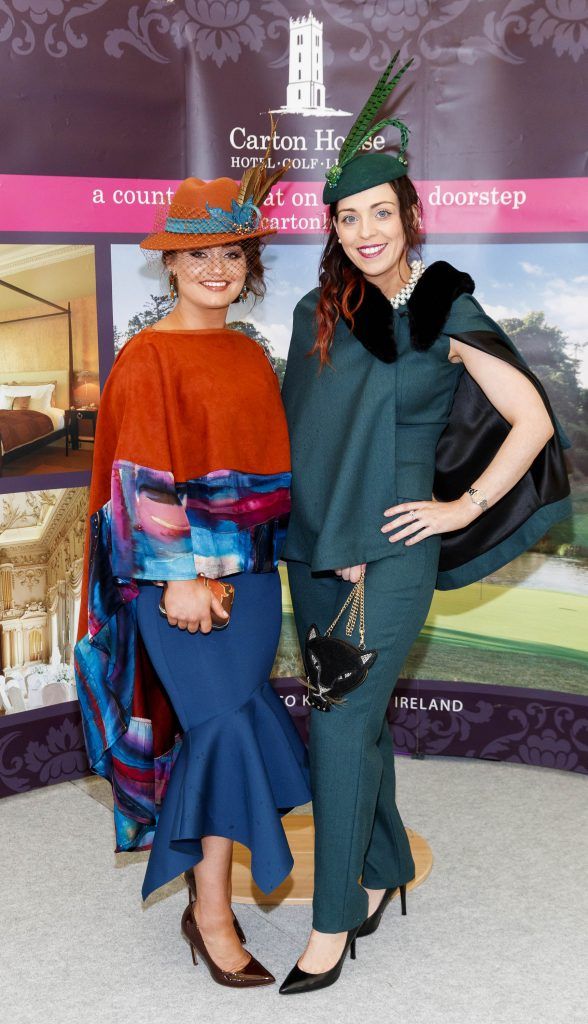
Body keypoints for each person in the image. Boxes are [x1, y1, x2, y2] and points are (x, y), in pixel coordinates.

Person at [279, 55, 571, 994]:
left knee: (333, 724)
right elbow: (303, 439)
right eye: (346, 216)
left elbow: (530, 420)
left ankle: (332, 924)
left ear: (410, 215)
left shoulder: (446, 304)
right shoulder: (315, 310)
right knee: (353, 723)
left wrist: (463, 506)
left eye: (380, 213)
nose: (365, 232)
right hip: (318, 549)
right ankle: (385, 869)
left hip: (396, 547)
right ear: (333, 226)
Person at [74, 149, 311, 989]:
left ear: (247, 266)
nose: (216, 267)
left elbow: (267, 479)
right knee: (216, 730)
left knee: (228, 730)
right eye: (197, 253)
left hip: (248, 585)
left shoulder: (249, 355)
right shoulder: (147, 357)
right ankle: (212, 913)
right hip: (170, 583)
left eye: (232, 253)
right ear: (169, 261)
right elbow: (135, 481)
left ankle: (206, 901)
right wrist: (178, 574)